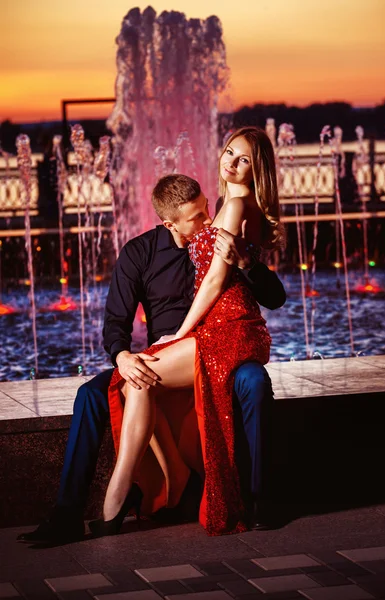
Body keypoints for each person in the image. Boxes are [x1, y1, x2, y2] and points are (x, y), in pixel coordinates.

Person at [18, 130, 285, 545]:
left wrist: (247, 262)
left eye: (206, 211)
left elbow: (274, 296)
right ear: (169, 222)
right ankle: (69, 512)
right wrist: (121, 354)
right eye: (196, 218)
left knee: (253, 380)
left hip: (216, 339)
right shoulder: (140, 253)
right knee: (94, 392)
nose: (206, 221)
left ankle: (258, 500)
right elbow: (115, 323)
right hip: (171, 351)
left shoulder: (225, 223)